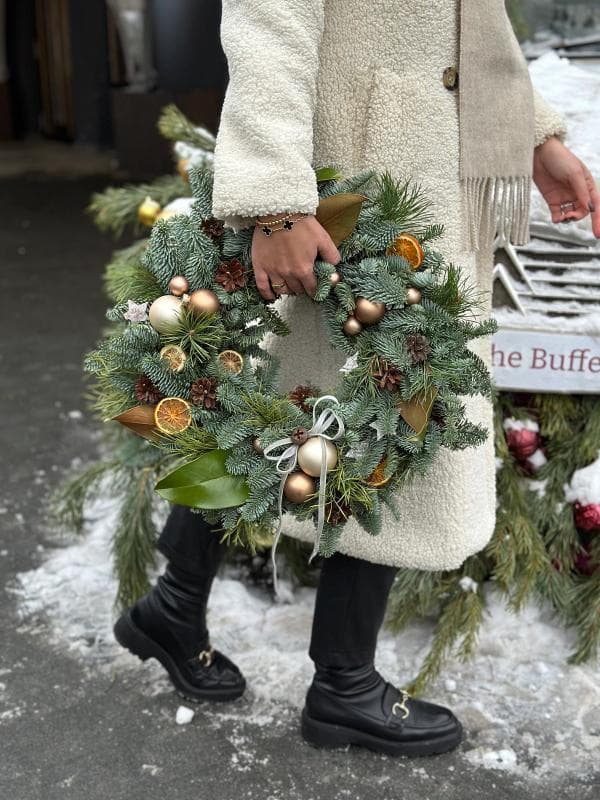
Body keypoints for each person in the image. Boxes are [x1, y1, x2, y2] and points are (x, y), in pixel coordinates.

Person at [114, 0, 600, 757]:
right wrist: (275, 205)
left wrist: (534, 137)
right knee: (377, 408)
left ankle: (174, 607)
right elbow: (269, 21)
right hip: (352, 191)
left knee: (303, 409)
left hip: (415, 176)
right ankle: (342, 683)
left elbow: (467, 21)